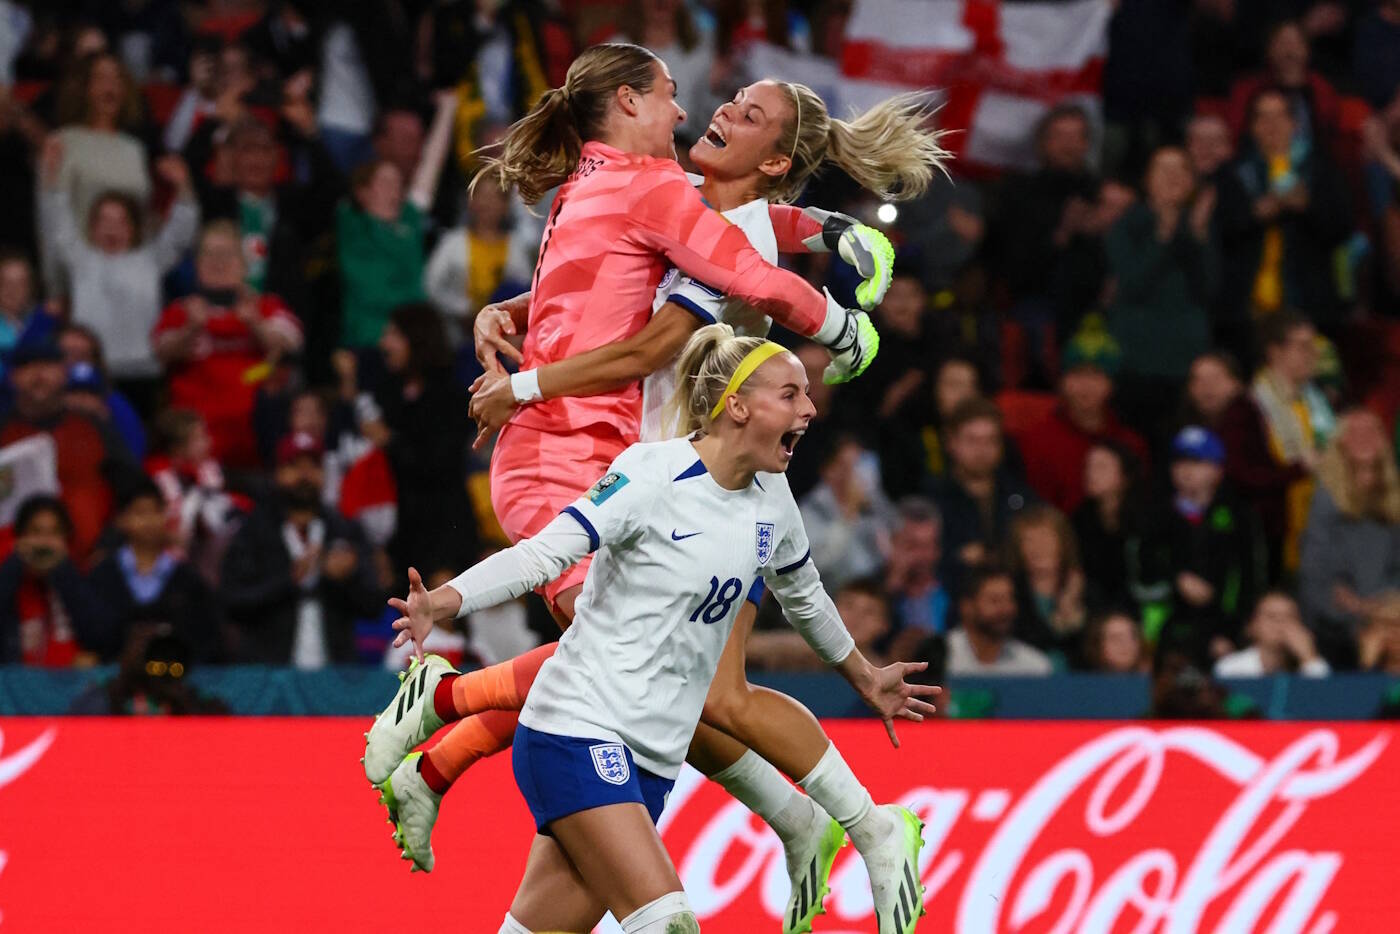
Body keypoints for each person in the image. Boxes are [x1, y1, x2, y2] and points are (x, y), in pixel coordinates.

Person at [424, 57, 944, 929]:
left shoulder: (714, 227)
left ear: (772, 157)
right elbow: (627, 288)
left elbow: (649, 341)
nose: (716, 109)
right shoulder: (697, 210)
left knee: (693, 688)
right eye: (730, 100)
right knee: (666, 685)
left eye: (747, 114)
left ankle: (854, 824)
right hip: (673, 477)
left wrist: (841, 318)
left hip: (698, 486)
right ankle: (813, 824)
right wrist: (522, 307)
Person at [375, 331, 938, 934]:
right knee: (668, 924)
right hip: (575, 730)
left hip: (652, 760)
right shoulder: (652, 473)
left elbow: (806, 599)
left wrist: (866, 676)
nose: (810, 408)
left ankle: (441, 713)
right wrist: (444, 601)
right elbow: (543, 555)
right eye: (791, 392)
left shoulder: (773, 500)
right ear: (739, 407)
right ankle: (439, 707)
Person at [38, 138, 199, 400]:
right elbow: (56, 221)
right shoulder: (81, 259)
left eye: (120, 221)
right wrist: (51, 175)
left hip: (143, 371)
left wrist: (183, 185)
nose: (112, 229)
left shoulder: (151, 260)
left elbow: (181, 233)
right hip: (90, 370)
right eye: (104, 221)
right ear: (92, 228)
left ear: (133, 228)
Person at [220, 432, 381, 666]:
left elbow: (373, 605)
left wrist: (347, 578)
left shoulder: (345, 530)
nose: (304, 475)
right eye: (294, 466)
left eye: (313, 466)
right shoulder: (253, 532)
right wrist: (288, 580)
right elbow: (233, 603)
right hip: (269, 678)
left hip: (334, 678)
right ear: (277, 473)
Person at [153, 220, 304, 469]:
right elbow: (161, 350)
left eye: (226, 254)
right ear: (197, 264)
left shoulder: (266, 306)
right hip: (193, 450)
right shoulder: (181, 311)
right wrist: (190, 330)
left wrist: (256, 325)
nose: (218, 262)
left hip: (257, 445)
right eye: (210, 254)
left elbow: (292, 342)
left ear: (243, 265)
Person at [1215, 88, 1351, 352]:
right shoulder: (1233, 173)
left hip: (1307, 307)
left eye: (1279, 117)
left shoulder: (1320, 169)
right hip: (1247, 312)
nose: (1271, 126)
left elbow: (1342, 229)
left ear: (1294, 124)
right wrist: (1255, 216)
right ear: (1252, 126)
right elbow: (1219, 232)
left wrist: (1307, 207)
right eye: (1263, 118)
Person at [1103, 145, 1217, 436]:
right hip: (1137, 363)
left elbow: (1209, 291)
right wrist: (1163, 239)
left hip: (1185, 363)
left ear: (1192, 181)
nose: (1173, 177)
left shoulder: (1199, 227)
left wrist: (1198, 240)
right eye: (1163, 170)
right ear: (1147, 180)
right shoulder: (1126, 226)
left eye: (1181, 170)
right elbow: (1132, 286)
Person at [0, 339, 138, 564]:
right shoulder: (3, 431)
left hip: (91, 567)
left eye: (48, 366)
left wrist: (110, 544)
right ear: (13, 377)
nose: (39, 374)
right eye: (28, 367)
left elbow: (133, 491)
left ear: (64, 373)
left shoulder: (94, 427)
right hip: (14, 572)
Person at [337, 92, 456, 349]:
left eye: (398, 184)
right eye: (385, 182)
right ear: (363, 191)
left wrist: (448, 109)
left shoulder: (409, 221)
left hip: (413, 342)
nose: (396, 189)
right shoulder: (351, 222)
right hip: (367, 340)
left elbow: (430, 167)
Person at [1138, 426, 1268, 662]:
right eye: (1180, 462)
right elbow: (1144, 566)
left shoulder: (1238, 516)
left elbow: (1247, 578)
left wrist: (1229, 632)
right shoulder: (1155, 514)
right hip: (1167, 628)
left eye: (1198, 462)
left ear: (1218, 470)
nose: (1186, 470)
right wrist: (1176, 580)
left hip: (1222, 633)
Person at [1181, 349, 1306, 577]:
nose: (1207, 387)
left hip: (1255, 531)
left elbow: (1242, 475)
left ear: (1236, 384)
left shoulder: (1243, 416)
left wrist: (1297, 470)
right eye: (1198, 380)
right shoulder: (1186, 427)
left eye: (1216, 378)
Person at [1298, 409, 1400, 666]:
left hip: (1391, 614)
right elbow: (1315, 567)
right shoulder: (1324, 499)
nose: (1364, 438)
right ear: (1340, 442)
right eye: (1355, 433)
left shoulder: (1395, 498)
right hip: (1337, 624)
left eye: (1372, 432)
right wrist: (1352, 609)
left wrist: (1381, 604)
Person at [84, 479, 221, 663]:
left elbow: (206, 641)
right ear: (121, 520)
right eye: (140, 512)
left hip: (174, 680)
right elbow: (93, 635)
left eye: (156, 511)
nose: (149, 521)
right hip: (114, 684)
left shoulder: (188, 580)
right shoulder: (102, 577)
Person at [1017, 323, 1149, 514]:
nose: (1086, 386)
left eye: (1096, 375)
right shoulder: (1035, 440)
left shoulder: (1132, 445)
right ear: (1062, 382)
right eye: (1077, 374)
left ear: (1111, 385)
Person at [1251, 311, 1335, 572]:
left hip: (1318, 529)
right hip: (1273, 532)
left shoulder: (1315, 401)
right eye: (1302, 346)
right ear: (1275, 351)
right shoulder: (1254, 405)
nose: (1313, 354)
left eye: (1315, 345)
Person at [928, 396, 1038, 594]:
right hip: (954, 599)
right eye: (972, 440)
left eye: (990, 441)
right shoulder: (932, 499)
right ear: (951, 442)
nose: (982, 450)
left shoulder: (1020, 497)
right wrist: (957, 559)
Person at [0, 495, 108, 665]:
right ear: (19, 538)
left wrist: (63, 571)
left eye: (54, 533)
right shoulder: (9, 580)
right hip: (15, 686)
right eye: (36, 532)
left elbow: (100, 636)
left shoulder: (79, 578)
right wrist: (14, 564)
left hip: (73, 685)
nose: (44, 542)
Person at [798, 435, 893, 592]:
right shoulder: (811, 509)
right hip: (831, 597)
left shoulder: (873, 503)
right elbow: (817, 562)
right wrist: (848, 513)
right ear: (828, 470)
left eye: (859, 464)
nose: (855, 473)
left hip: (870, 594)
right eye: (847, 465)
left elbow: (888, 550)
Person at [748, 577, 893, 671]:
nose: (857, 617)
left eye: (869, 612)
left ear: (884, 626)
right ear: (831, 608)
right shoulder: (796, 647)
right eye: (849, 605)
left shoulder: (884, 677)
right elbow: (745, 647)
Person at [1005, 504, 1086, 659]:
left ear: (1063, 543)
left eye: (1046, 538)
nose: (1039, 548)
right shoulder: (1010, 592)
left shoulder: (1085, 591)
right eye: (1029, 540)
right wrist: (1060, 624)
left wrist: (1071, 604)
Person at [945, 564, 1053, 676]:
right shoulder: (941, 659)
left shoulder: (1034, 668)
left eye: (1010, 599)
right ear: (966, 607)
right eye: (995, 600)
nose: (1006, 609)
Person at [1072, 442, 1142, 613]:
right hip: (1096, 607)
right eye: (1088, 467)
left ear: (1125, 476)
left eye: (1101, 467)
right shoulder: (1079, 519)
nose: (1090, 474)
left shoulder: (1145, 518)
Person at [883, 497, 952, 661]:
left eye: (928, 546)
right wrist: (891, 590)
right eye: (912, 546)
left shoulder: (956, 589)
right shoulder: (875, 590)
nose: (922, 556)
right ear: (893, 545)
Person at [1214, 590, 1330, 678]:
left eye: (1289, 617)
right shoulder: (1230, 668)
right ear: (1252, 626)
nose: (1280, 623)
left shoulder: (1312, 664)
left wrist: (1308, 657)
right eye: (1272, 616)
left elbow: (1325, 700)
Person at [1079, 610, 1150, 674]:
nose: (1127, 644)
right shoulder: (1081, 683)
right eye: (1116, 638)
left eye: (1132, 637)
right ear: (1097, 645)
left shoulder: (1152, 681)